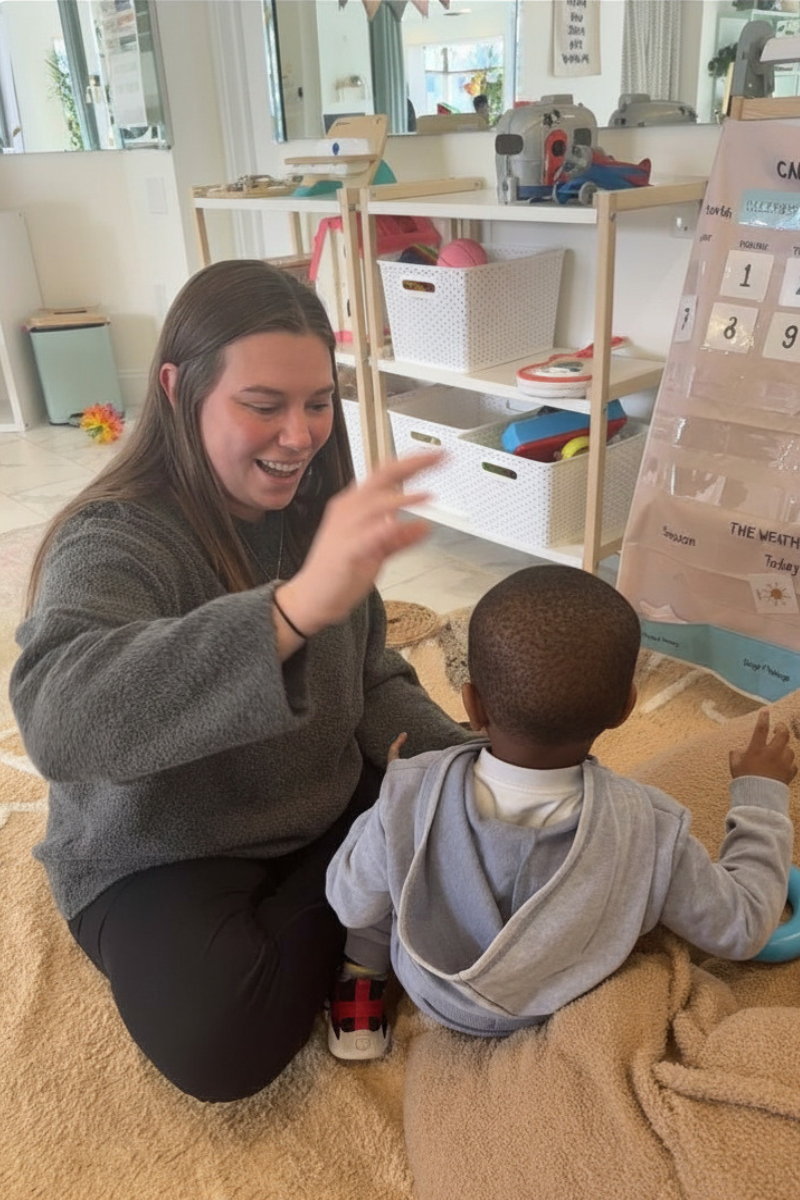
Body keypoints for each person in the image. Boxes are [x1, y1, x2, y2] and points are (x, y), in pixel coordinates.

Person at [9, 259, 474, 1103]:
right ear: (177, 390)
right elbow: (57, 721)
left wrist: (465, 762)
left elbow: (372, 677)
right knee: (219, 1044)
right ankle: (372, 897)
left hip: (320, 801)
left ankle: (371, 882)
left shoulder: (315, 510)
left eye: (318, 403)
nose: (299, 435)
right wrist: (288, 613)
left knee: (489, 825)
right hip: (163, 847)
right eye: (263, 405)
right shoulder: (115, 536)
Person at [325, 565, 796, 1059]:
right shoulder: (650, 827)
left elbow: (350, 902)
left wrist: (395, 795)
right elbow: (744, 926)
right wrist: (760, 794)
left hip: (432, 993)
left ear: (472, 705)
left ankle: (361, 981)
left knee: (386, 871)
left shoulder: (412, 789)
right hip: (548, 1005)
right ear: (626, 708)